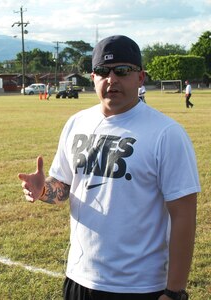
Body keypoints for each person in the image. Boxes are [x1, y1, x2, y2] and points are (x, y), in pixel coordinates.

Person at [18, 35, 200, 300]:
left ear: (140, 78)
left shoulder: (167, 133)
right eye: (103, 71)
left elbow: (184, 215)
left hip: (140, 286)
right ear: (93, 77)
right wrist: (43, 190)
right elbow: (63, 189)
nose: (111, 79)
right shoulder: (76, 123)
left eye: (122, 71)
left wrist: (174, 292)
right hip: (80, 278)